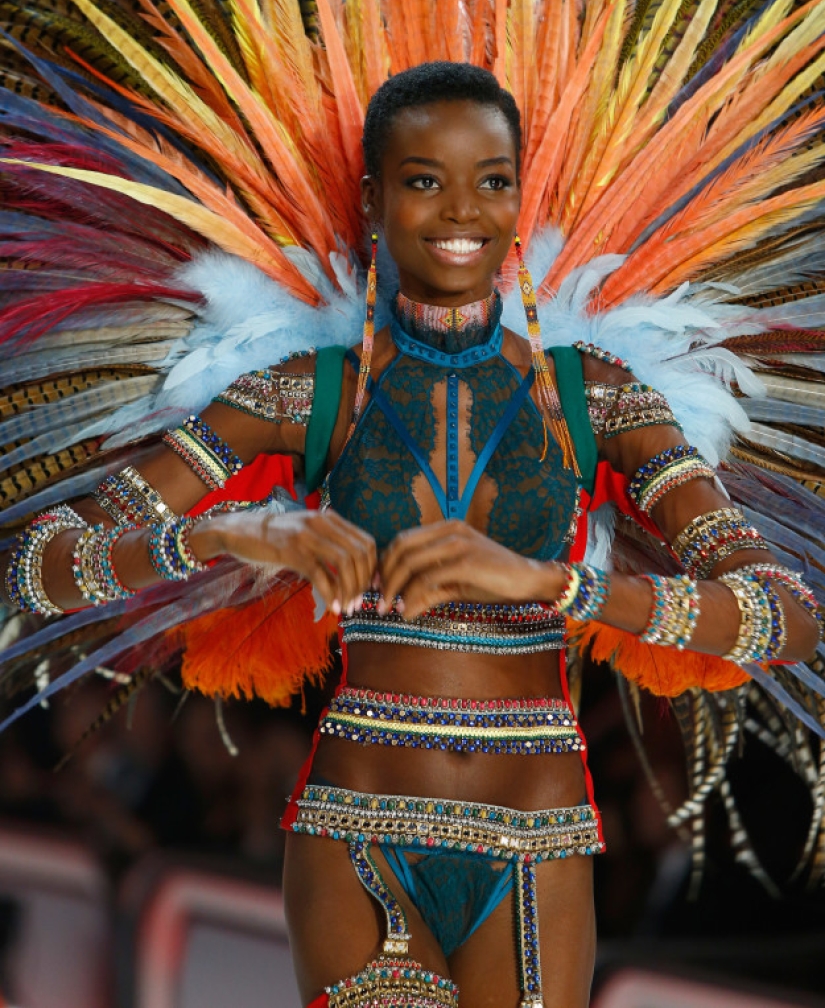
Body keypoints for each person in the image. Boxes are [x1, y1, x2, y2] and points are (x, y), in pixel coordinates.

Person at [14, 61, 820, 1008]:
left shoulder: (592, 396)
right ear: (374, 198)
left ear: (520, 193)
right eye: (424, 180)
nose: (461, 213)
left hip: (536, 840)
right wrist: (231, 538)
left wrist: (559, 589)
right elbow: (44, 566)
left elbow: (787, 613)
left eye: (492, 180)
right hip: (360, 831)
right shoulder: (309, 392)